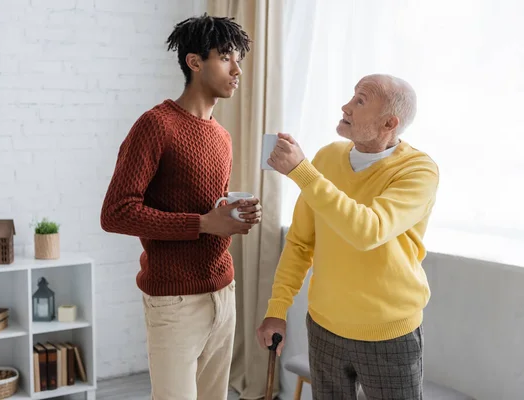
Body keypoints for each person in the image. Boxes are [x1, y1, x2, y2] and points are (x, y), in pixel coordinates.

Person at [100, 14, 261, 400]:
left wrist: (232, 215)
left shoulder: (221, 135)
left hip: (224, 291)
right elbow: (116, 212)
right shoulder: (156, 125)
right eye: (226, 58)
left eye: (238, 59)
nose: (237, 70)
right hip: (174, 300)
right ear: (194, 62)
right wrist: (205, 223)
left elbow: (207, 205)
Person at [256, 74, 439, 400]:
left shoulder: (418, 171)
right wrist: (277, 309)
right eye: (352, 96)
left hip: (389, 336)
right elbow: (300, 242)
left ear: (389, 123)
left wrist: (302, 171)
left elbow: (369, 231)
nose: (346, 106)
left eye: (360, 101)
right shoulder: (327, 158)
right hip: (324, 328)